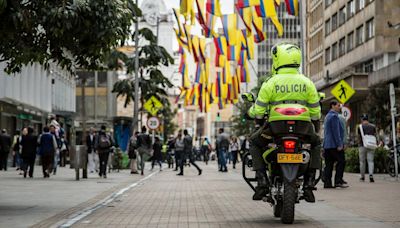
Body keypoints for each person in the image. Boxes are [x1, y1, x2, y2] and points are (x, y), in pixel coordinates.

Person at [245, 43, 321, 202]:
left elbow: (259, 109)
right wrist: (315, 127)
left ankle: (261, 181)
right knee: (316, 143)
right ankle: (309, 183)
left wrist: (257, 120)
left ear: (277, 59)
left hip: (276, 128)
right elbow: (315, 111)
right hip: (302, 128)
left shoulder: (271, 82)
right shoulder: (307, 82)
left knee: (253, 142)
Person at [323, 100, 348, 188]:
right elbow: (336, 132)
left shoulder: (327, 116)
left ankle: (327, 183)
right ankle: (338, 181)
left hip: (327, 145)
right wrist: (340, 144)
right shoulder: (334, 116)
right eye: (338, 105)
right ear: (332, 106)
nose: (339, 107)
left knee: (329, 164)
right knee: (341, 161)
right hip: (333, 145)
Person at [358, 114, 377, 182]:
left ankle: (362, 176)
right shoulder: (373, 126)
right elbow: (375, 135)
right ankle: (371, 175)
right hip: (371, 145)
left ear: (362, 119)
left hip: (362, 145)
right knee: (371, 161)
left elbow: (359, 136)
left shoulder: (360, 127)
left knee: (362, 161)